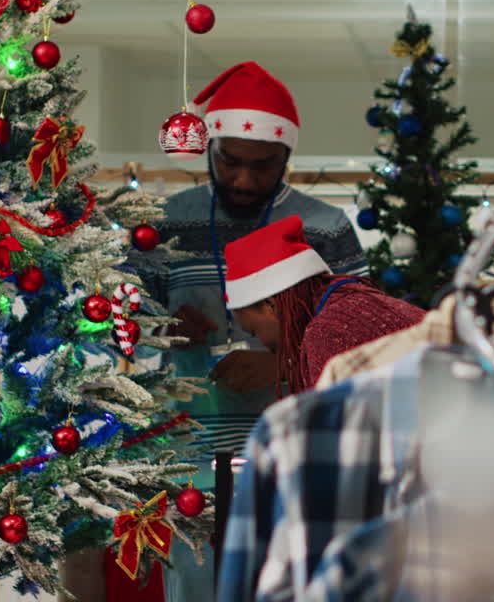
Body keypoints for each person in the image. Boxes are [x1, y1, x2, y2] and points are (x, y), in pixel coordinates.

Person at [138, 61, 365, 601]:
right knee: (195, 586)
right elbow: (112, 322)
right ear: (210, 148)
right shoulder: (164, 220)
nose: (244, 180)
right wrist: (156, 328)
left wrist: (284, 360)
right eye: (230, 162)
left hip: (293, 449)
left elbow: (361, 342)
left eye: (263, 167)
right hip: (190, 450)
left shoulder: (327, 228)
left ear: (288, 157)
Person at [224, 216, 425, 393]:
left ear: (271, 305)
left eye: (254, 331)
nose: (264, 345)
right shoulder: (357, 301)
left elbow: (341, 429)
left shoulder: (328, 331)